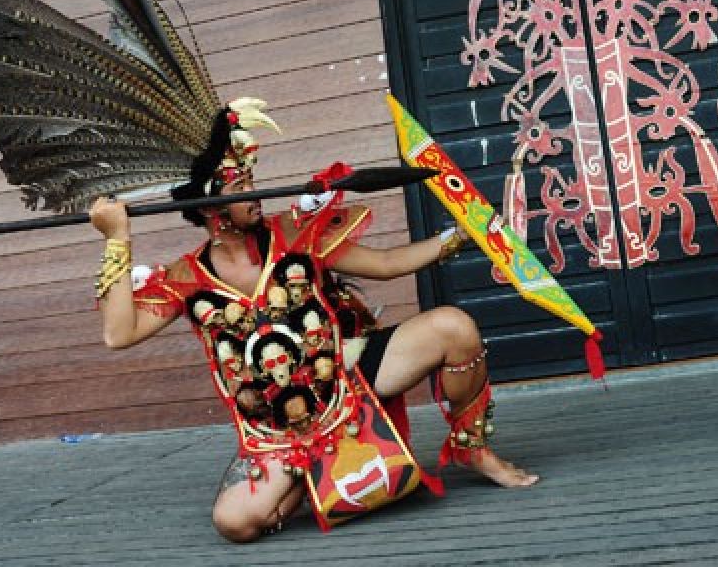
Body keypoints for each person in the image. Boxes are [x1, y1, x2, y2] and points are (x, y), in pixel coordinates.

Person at [87, 102, 537, 543]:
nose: (254, 193)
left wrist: (463, 236)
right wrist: (117, 239)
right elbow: (118, 334)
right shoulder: (185, 278)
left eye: (251, 179)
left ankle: (472, 450)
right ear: (211, 206)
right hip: (278, 437)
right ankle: (311, 478)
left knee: (454, 327)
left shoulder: (294, 235)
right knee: (235, 522)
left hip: (349, 385)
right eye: (240, 184)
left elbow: (386, 262)